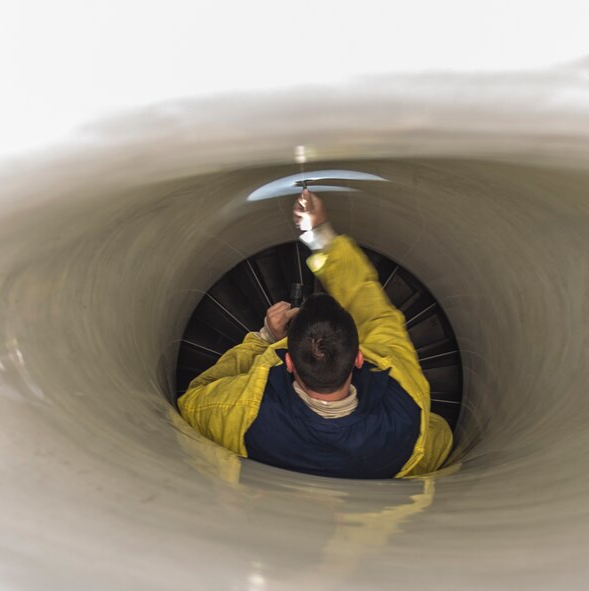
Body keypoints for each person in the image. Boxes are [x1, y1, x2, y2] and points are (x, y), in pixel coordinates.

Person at [178, 188, 453, 478]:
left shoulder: (238, 412)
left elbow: (190, 404)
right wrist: (320, 235)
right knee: (438, 435)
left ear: (288, 362)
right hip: (399, 454)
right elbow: (373, 309)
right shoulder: (404, 400)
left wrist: (264, 338)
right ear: (359, 358)